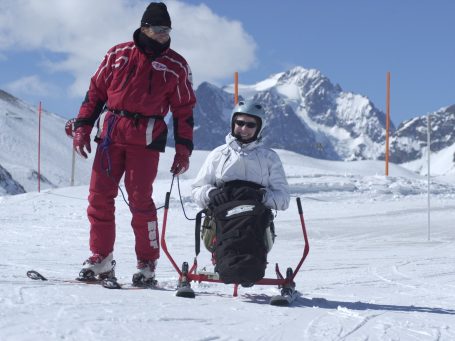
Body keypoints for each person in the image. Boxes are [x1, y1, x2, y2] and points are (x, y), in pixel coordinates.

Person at [72, 2, 196, 286]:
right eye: (159, 29)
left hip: (146, 138)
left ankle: (147, 263)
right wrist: (82, 127)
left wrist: (184, 149)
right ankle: (101, 258)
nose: (164, 34)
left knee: (141, 200)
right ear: (144, 28)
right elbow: (95, 93)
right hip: (110, 135)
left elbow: (184, 110)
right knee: (99, 198)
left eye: (168, 30)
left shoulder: (176, 66)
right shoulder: (118, 54)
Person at [191, 100, 290, 286]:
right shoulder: (218, 155)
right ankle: (227, 262)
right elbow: (196, 191)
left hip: (255, 222)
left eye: (250, 125)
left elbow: (283, 199)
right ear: (232, 123)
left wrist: (261, 196)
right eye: (240, 123)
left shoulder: (269, 158)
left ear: (259, 128)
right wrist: (211, 194)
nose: (244, 128)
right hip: (221, 219)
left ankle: (249, 265)